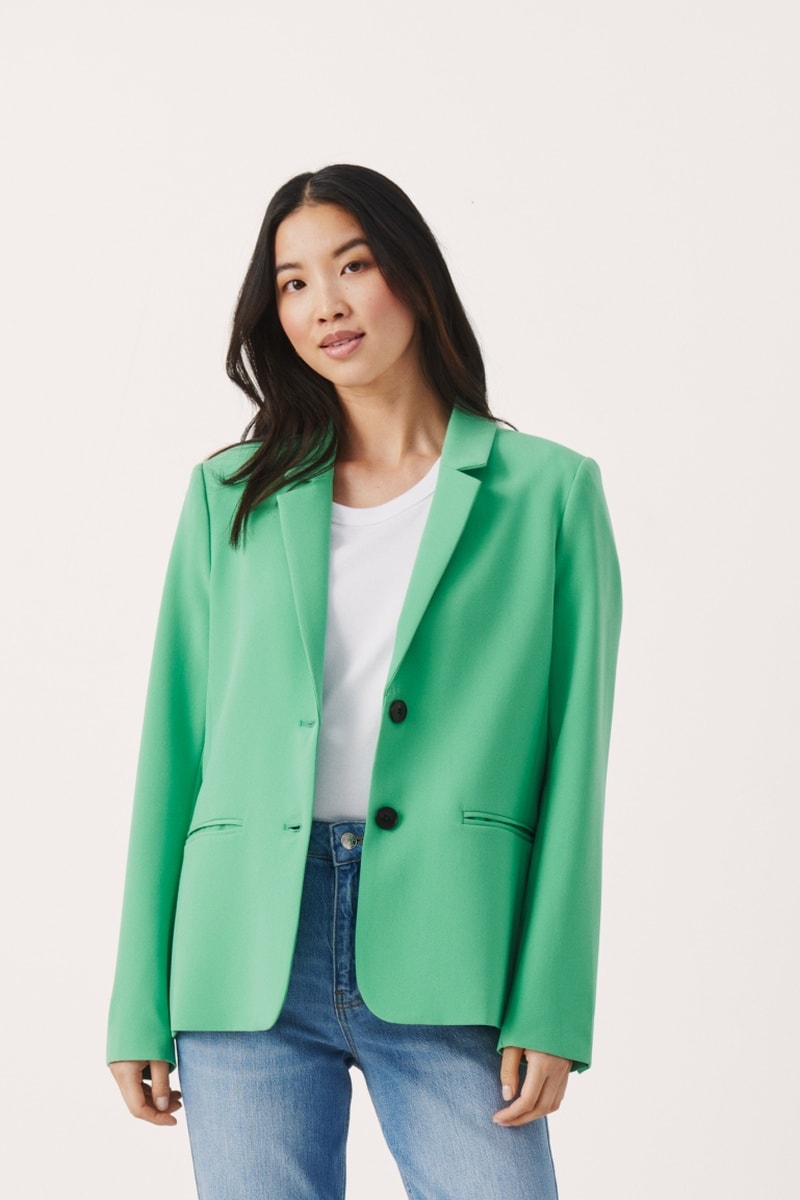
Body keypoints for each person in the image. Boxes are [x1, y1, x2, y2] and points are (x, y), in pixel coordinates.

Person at [106, 163, 623, 1199]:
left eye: (352, 266)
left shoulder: (549, 495)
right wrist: (137, 1001)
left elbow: (576, 767)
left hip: (452, 943)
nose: (325, 304)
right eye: (293, 283)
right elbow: (174, 746)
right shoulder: (228, 495)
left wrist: (552, 1003)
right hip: (247, 948)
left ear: (414, 276)